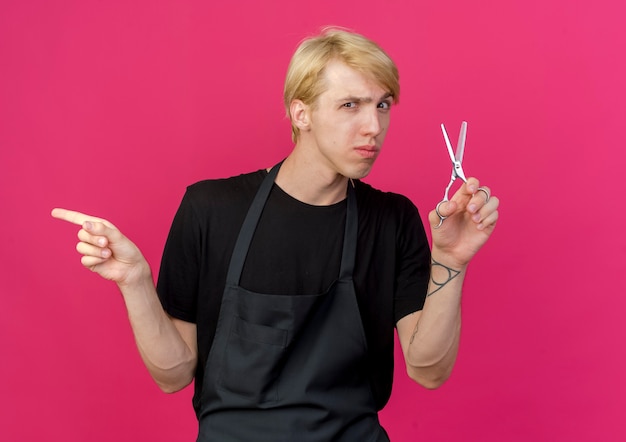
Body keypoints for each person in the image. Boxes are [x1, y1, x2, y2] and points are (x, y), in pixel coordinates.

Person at [52, 28, 499, 441]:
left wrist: (452, 261)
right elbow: (173, 375)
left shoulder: (392, 219)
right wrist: (135, 282)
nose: (373, 127)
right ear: (300, 113)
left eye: (382, 105)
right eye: (351, 105)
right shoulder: (211, 209)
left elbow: (428, 371)